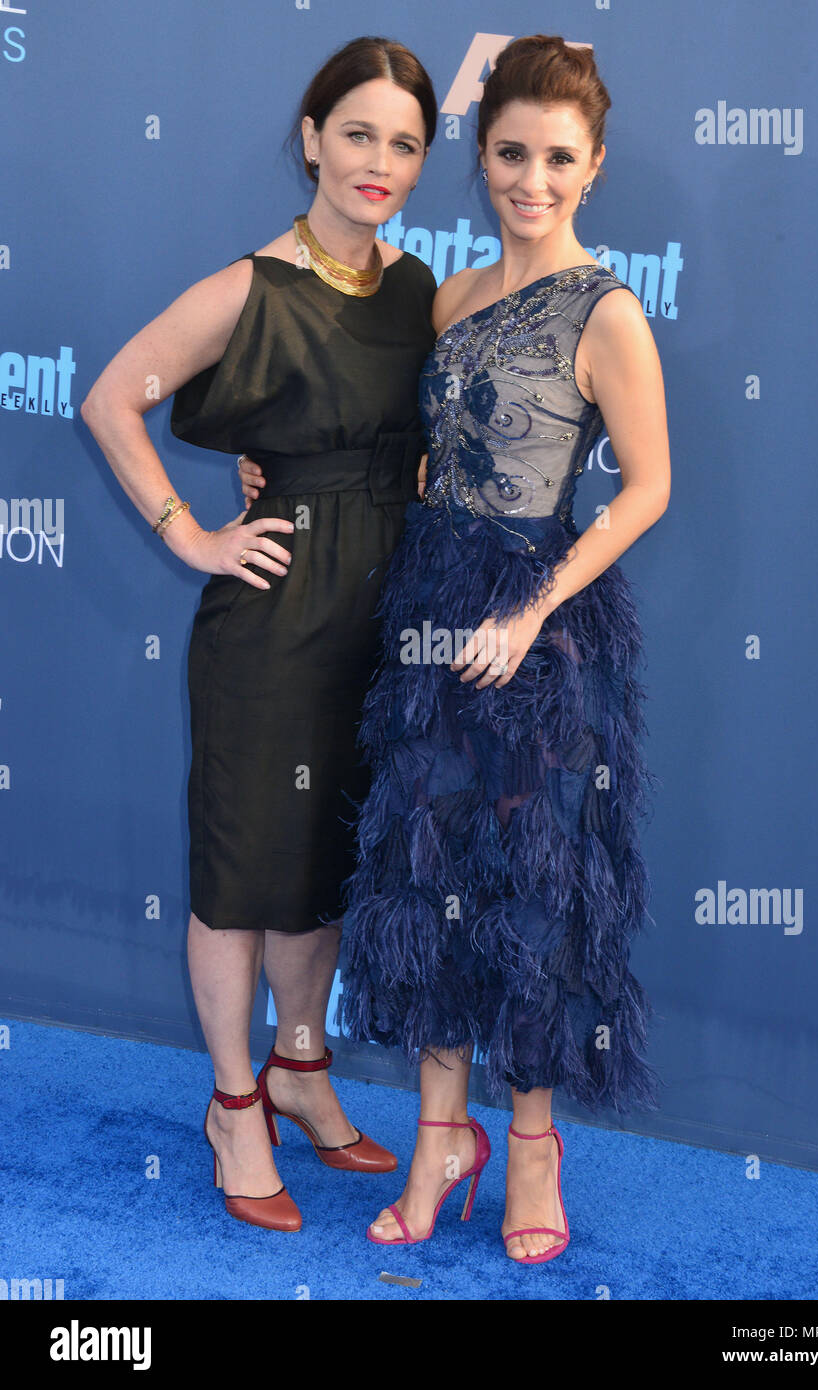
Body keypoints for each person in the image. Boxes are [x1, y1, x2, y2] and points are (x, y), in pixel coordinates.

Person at [241, 32, 671, 1263]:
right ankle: (440, 1134)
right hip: (426, 605)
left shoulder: (607, 310)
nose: (529, 179)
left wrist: (532, 609)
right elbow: (414, 459)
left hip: (536, 627)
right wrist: (281, 461)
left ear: (592, 167)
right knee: (427, 877)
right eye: (508, 153)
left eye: (556, 158)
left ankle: (529, 1143)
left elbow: (645, 488)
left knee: (528, 890)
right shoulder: (450, 295)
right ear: (481, 158)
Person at [80, 36, 439, 1231]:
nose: (378, 161)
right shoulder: (250, 285)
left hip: (378, 623)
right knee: (240, 879)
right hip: (271, 623)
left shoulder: (415, 291)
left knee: (318, 873)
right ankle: (234, 1101)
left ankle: (300, 1068)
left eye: (403, 142)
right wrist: (192, 534)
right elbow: (112, 396)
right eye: (358, 134)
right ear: (311, 138)